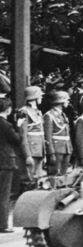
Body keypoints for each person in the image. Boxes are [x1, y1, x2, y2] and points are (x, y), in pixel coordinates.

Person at [0, 97, 27, 233]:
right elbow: (16, 140)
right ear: (8, 109)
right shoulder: (6, 124)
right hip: (5, 161)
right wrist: (18, 125)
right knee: (4, 195)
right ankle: (3, 224)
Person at [17, 86, 45, 181]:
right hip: (31, 150)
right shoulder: (23, 112)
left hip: (39, 150)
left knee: (38, 178)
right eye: (40, 96)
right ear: (35, 98)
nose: (41, 98)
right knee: (30, 179)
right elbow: (23, 135)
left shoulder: (37, 111)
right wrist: (27, 155)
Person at [43, 91, 73, 177]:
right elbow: (48, 136)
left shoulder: (63, 115)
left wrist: (70, 147)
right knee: (54, 173)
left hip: (66, 148)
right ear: (61, 102)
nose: (68, 102)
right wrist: (51, 152)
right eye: (67, 100)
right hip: (56, 148)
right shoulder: (49, 115)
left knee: (64, 173)